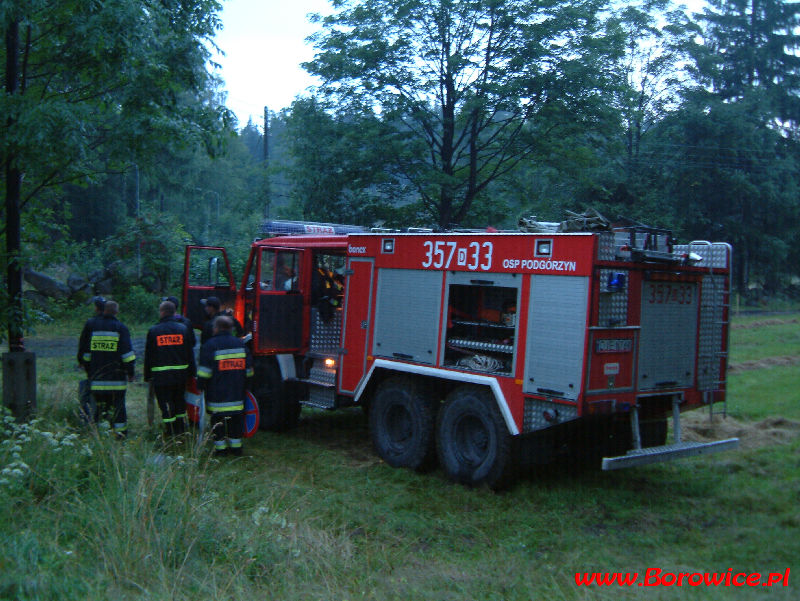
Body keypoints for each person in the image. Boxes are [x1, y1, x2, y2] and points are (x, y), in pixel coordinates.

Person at [77, 300, 135, 438]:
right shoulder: (121, 328)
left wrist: (88, 369)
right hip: (117, 381)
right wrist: (131, 373)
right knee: (119, 409)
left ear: (103, 310)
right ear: (116, 312)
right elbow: (127, 355)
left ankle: (97, 435)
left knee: (97, 409)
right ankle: (120, 436)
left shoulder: (91, 325)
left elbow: (84, 353)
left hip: (96, 379)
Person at [197, 315, 253, 456]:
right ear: (231, 329)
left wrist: (200, 386)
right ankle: (236, 449)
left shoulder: (209, 346)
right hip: (237, 394)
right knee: (236, 423)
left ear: (215, 328)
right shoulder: (241, 345)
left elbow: (204, 373)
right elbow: (249, 372)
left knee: (218, 423)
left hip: (217, 395)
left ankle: (220, 451)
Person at [144, 300, 196, 439]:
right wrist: (193, 373)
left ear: (162, 312)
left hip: (161, 376)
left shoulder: (154, 331)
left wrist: (147, 375)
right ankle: (180, 426)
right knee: (179, 400)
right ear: (174, 313)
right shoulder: (183, 329)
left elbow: (149, 355)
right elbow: (189, 353)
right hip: (180, 375)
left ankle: (170, 429)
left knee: (165, 403)